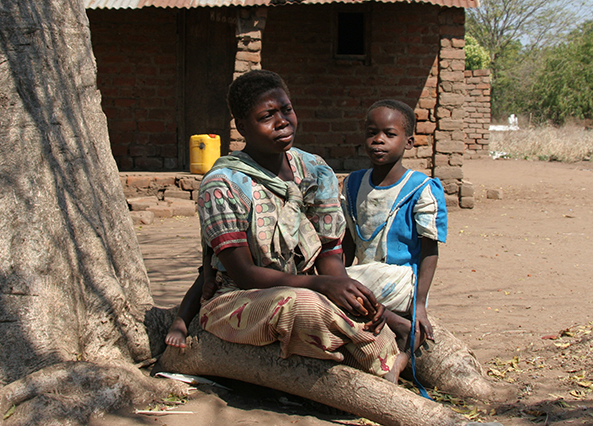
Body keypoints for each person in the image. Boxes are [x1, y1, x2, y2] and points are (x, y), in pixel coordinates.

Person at [165, 70, 405, 381]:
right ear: (242, 126)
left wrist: (343, 289)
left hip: (305, 286)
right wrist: (321, 286)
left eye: (287, 110)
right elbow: (243, 273)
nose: (282, 121)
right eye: (267, 115)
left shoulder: (315, 170)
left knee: (355, 304)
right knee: (305, 308)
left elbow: (330, 253)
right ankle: (376, 361)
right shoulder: (223, 183)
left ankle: (380, 356)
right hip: (239, 298)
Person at [341, 99, 447, 378]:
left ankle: (403, 330)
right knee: (332, 286)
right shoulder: (353, 184)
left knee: (338, 292)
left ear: (409, 142)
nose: (378, 140)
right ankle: (395, 332)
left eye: (390, 134)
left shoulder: (421, 188)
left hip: (400, 279)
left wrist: (420, 304)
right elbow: (349, 240)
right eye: (372, 132)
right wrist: (338, 276)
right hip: (366, 276)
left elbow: (429, 249)